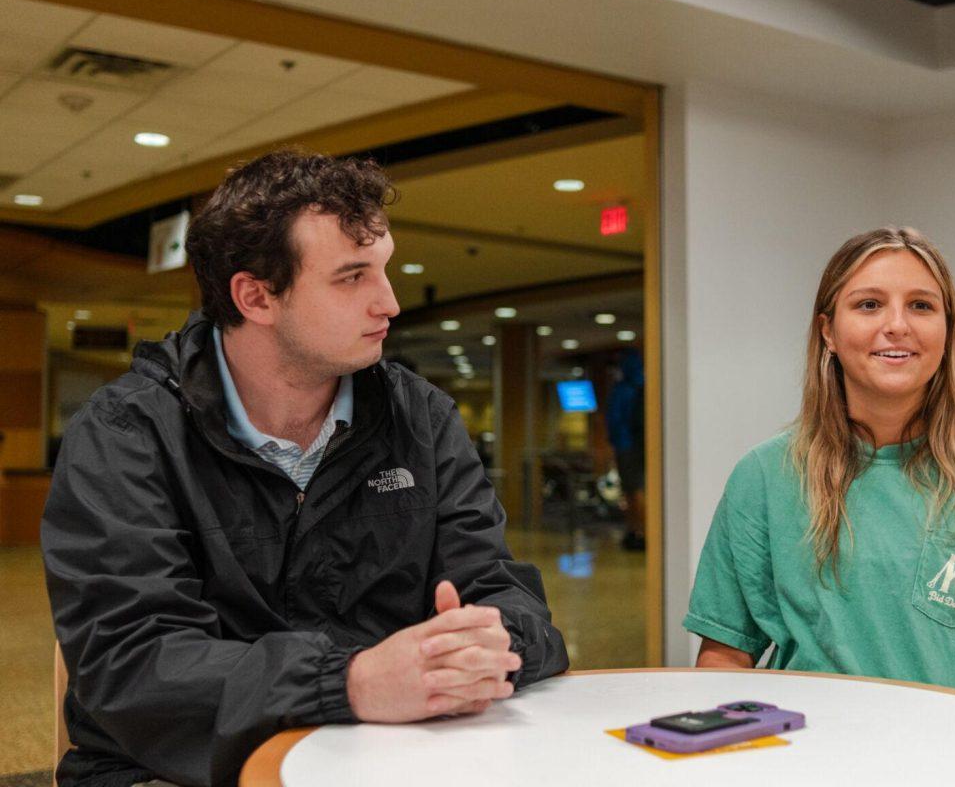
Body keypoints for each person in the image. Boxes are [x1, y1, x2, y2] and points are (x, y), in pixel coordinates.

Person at [41, 150, 569, 787]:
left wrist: (496, 640)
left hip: (382, 756)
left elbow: (505, 594)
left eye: (384, 269)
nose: (390, 303)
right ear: (256, 296)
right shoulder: (128, 434)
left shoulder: (419, 419)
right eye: (352, 278)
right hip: (169, 772)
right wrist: (348, 683)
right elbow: (132, 664)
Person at [684, 227, 955, 724]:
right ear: (827, 331)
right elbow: (724, 657)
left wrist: (947, 731)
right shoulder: (764, 477)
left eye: (921, 305)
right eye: (869, 305)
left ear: (947, 330)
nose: (897, 325)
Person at [604, 349, 646, 550]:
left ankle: (638, 530)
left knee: (633, 490)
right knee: (635, 490)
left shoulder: (624, 390)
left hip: (627, 447)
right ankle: (638, 531)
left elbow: (616, 421)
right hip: (637, 448)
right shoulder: (641, 387)